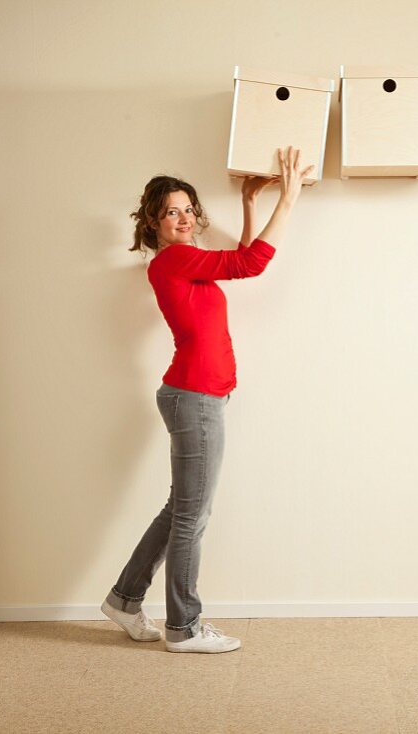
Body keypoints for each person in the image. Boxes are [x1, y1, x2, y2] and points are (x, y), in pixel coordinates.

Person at [102, 147, 314, 653]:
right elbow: (252, 263)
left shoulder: (185, 262)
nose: (184, 217)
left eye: (189, 209)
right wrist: (289, 197)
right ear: (153, 221)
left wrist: (248, 203)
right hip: (194, 398)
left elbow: (238, 258)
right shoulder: (176, 259)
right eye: (171, 211)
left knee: (181, 508)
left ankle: (125, 599)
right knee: (192, 517)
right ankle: (184, 627)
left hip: (195, 396)